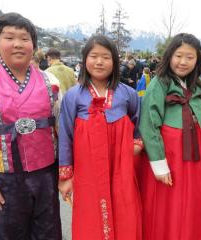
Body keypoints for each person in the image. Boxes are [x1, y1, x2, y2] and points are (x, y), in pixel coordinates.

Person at [0, 12, 62, 240]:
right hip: (5, 179)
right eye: (9, 37)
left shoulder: (51, 82)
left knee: (49, 232)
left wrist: (64, 172)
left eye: (24, 38)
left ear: (33, 44)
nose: (17, 44)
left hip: (46, 175)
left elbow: (60, 129)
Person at [58, 34, 142, 240]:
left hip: (120, 167)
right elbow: (66, 136)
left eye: (106, 57)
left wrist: (136, 146)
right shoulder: (73, 96)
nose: (99, 62)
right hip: (88, 170)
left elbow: (139, 127)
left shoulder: (128, 94)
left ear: (114, 61)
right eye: (93, 56)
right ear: (84, 60)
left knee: (125, 211)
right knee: (90, 215)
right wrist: (66, 177)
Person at [137, 33, 201, 240]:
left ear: (198, 60)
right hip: (170, 154)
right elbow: (149, 125)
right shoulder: (159, 83)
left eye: (190, 57)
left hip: (195, 152)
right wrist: (159, 164)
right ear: (170, 56)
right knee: (170, 199)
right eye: (179, 55)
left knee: (193, 199)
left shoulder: (199, 85)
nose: (183, 62)